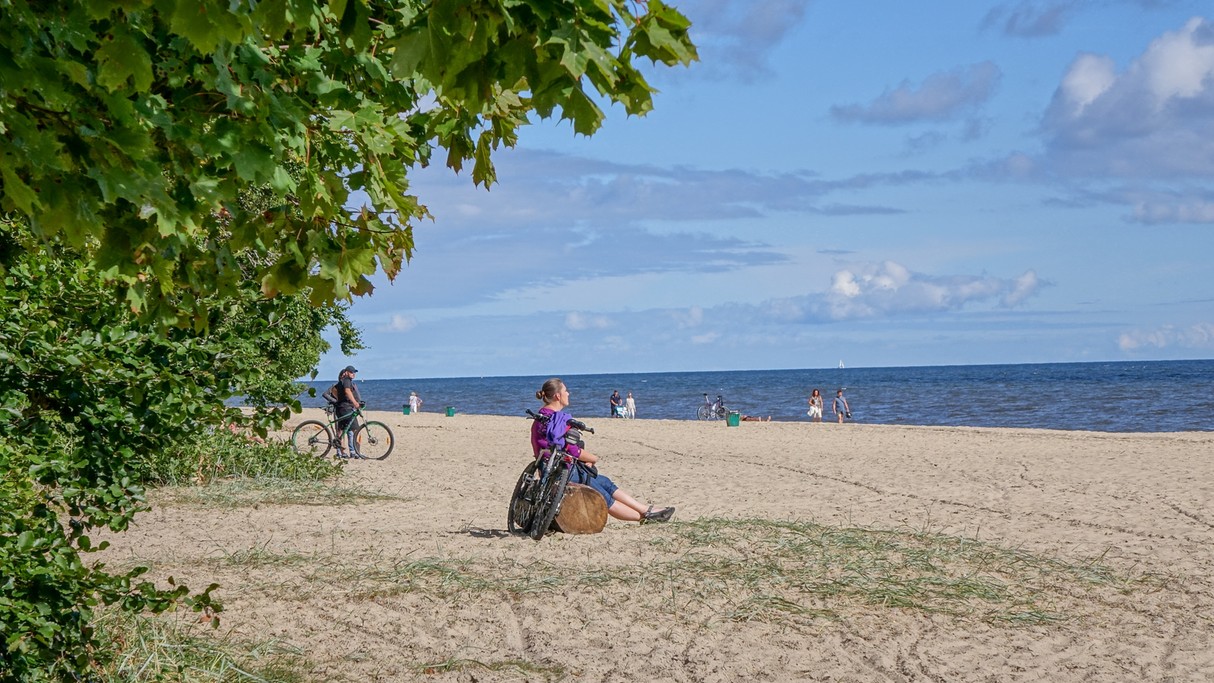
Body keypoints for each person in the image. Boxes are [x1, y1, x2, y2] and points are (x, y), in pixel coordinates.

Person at [534, 378, 673, 523]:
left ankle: (644, 509)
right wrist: (593, 458)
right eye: (565, 391)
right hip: (560, 471)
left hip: (547, 468)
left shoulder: (540, 417)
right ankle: (644, 517)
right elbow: (572, 450)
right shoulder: (558, 420)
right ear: (557, 396)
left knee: (604, 482)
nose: (568, 393)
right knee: (601, 494)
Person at [334, 365, 362, 457]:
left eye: (354, 372)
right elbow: (347, 391)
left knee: (342, 430)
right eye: (351, 372)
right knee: (355, 429)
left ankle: (341, 452)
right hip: (346, 408)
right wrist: (355, 403)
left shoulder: (344, 381)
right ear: (346, 372)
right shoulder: (346, 380)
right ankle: (354, 452)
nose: (353, 374)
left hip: (341, 408)